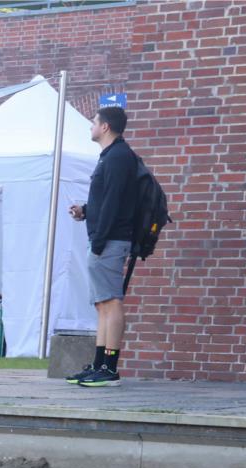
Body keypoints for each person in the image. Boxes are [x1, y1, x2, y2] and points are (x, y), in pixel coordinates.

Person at [66, 106, 138, 387]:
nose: (90, 127)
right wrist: (85, 210)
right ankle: (99, 364)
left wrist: (98, 240)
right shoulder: (110, 156)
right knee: (102, 304)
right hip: (104, 237)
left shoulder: (119, 157)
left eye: (93, 122)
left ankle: (109, 367)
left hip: (109, 239)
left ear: (105, 127)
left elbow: (114, 203)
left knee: (111, 301)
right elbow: (104, 201)